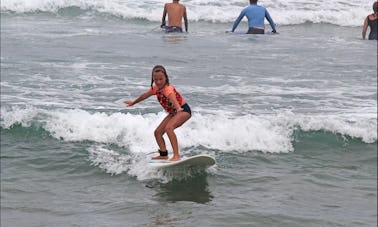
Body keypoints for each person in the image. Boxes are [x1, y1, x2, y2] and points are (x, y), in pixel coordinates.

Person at [124, 65, 191, 161]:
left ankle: (176, 156)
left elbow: (173, 99)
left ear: (166, 78)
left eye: (161, 79)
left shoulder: (168, 89)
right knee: (158, 133)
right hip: (173, 113)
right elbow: (144, 96)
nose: (158, 82)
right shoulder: (155, 88)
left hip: (183, 110)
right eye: (156, 79)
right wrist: (133, 102)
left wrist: (178, 108)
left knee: (169, 128)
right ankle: (163, 154)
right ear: (153, 79)